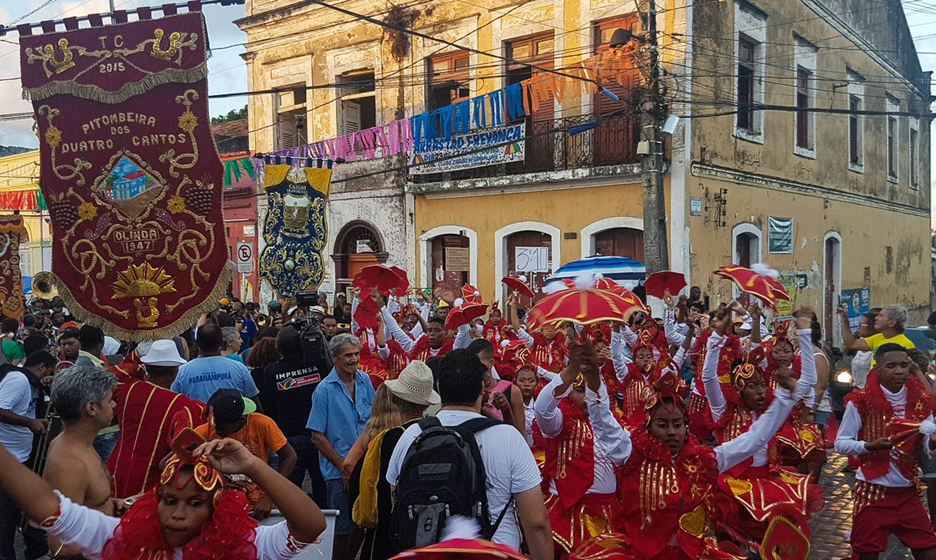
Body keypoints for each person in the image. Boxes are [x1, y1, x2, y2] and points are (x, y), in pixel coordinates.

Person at [0, 433, 327, 560]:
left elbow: (311, 526)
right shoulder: (122, 537)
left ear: (216, 508)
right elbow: (46, 507)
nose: (178, 514)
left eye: (195, 503)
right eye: (169, 500)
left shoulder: (243, 545)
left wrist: (253, 466)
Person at [387, 349, 553, 559]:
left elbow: (398, 502)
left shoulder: (412, 435)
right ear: (483, 388)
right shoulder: (508, 438)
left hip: (430, 553)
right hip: (494, 553)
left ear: (438, 387)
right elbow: (536, 523)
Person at [835, 343, 936, 559]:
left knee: (928, 551)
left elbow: (925, 447)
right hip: (872, 492)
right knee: (866, 553)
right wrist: (868, 446)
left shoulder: (921, 401)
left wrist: (932, 442)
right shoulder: (861, 400)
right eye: (891, 366)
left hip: (908, 493)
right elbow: (840, 443)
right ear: (877, 369)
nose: (899, 371)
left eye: (903, 366)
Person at [348, 361, 438, 560]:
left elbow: (368, 486)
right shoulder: (437, 433)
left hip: (391, 531)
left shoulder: (389, 438)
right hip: (430, 527)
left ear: (397, 400)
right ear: (426, 404)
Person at [108, 340, 205, 499]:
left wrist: (136, 356)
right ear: (174, 373)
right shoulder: (182, 404)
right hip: (151, 481)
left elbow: (113, 373)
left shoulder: (129, 388)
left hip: (116, 469)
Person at [307, 333, 376, 560]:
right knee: (342, 530)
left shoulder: (364, 380)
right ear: (335, 358)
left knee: (363, 523)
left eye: (356, 354)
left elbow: (373, 420)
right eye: (348, 355)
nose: (354, 359)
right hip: (339, 473)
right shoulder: (324, 390)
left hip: (365, 466)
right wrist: (344, 467)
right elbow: (317, 436)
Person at [195, 388, 296, 519]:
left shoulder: (262, 423)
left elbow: (290, 457)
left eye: (222, 428)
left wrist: (269, 497)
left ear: (241, 420)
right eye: (213, 425)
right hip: (220, 507)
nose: (217, 430)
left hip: (257, 507)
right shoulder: (202, 433)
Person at [262, 326, 327, 507]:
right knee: (323, 493)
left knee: (290, 496)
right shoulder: (319, 366)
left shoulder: (270, 371)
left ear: (278, 347)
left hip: (290, 439)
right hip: (318, 437)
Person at [0, 350, 55, 560]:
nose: (48, 377)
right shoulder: (19, 380)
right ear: (41, 366)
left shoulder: (31, 383)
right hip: (8, 458)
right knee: (5, 518)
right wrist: (30, 423)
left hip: (19, 457)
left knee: (11, 514)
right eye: (49, 372)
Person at [172, 323, 261, 404]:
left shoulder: (181, 372)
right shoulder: (239, 368)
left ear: (197, 344)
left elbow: (175, 404)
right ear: (221, 343)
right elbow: (254, 403)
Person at [839, 304, 915, 358]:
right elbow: (851, 344)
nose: (876, 318)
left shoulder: (905, 344)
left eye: (881, 316)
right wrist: (844, 318)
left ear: (892, 323)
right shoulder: (878, 338)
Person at [852, 309, 882, 390]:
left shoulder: (879, 345)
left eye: (861, 325)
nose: (858, 328)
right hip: (858, 389)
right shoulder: (860, 342)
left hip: (872, 390)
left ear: (871, 326)